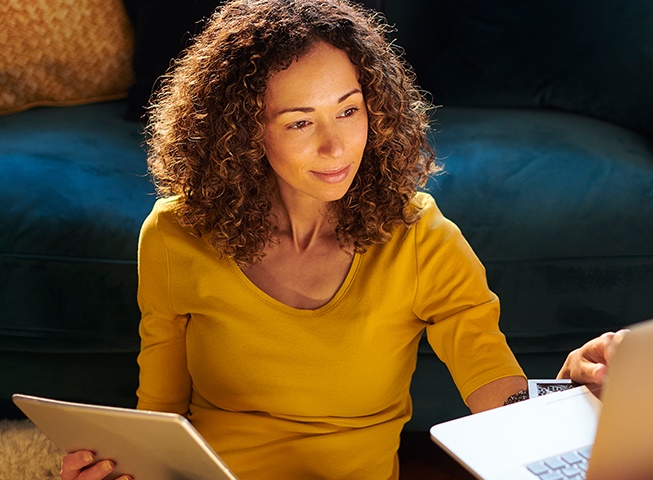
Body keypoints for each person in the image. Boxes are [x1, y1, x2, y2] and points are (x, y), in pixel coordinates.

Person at [59, 1, 622, 478]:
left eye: (349, 110)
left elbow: (498, 397)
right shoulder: (173, 235)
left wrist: (569, 388)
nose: (336, 147)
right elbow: (158, 416)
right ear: (244, 131)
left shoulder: (421, 238)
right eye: (300, 122)